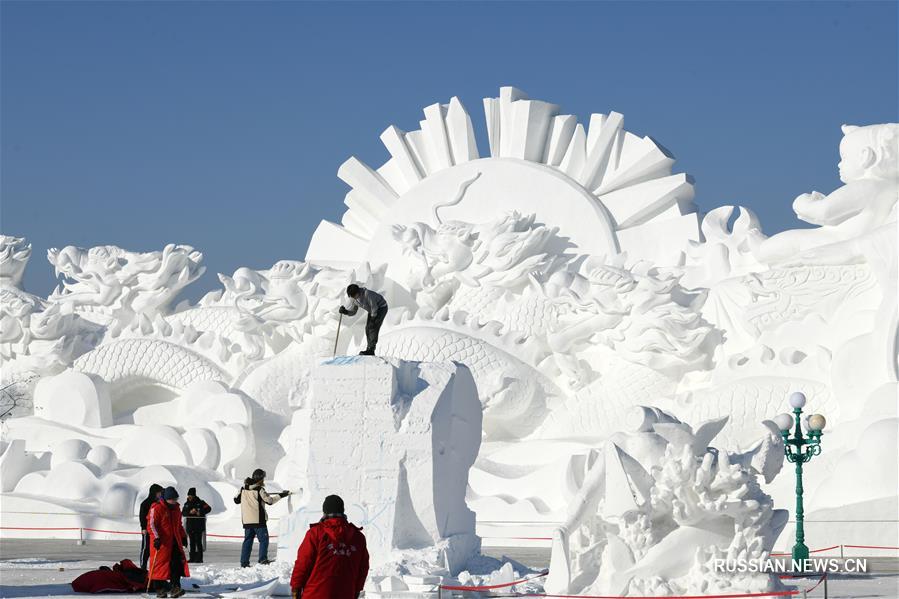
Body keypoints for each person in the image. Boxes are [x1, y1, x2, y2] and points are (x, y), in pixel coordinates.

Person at [290, 495, 369, 599]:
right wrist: (357, 589)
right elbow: (363, 568)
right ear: (342, 511)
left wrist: (296, 587)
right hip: (346, 594)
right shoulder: (358, 537)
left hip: (315, 594)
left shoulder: (316, 533)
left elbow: (303, 562)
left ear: (324, 512)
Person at [233, 468, 289, 567]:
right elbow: (270, 501)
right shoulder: (260, 489)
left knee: (248, 541)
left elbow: (236, 500)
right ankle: (262, 559)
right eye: (263, 478)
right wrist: (281, 495)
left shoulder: (243, 488)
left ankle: (244, 563)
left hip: (247, 521)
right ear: (260, 479)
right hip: (258, 521)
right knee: (264, 540)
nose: (264, 480)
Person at [147, 487, 189, 598]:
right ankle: (159, 589)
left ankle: (175, 587)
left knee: (176, 564)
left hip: (174, 541)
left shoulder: (176, 509)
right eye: (172, 499)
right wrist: (156, 538)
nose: (174, 501)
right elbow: (151, 525)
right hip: (161, 542)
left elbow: (178, 525)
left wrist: (183, 536)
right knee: (159, 565)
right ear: (166, 499)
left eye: (176, 498)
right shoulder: (156, 508)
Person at [339, 284, 388, 356]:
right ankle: (369, 348)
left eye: (354, 295)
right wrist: (346, 312)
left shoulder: (367, 294)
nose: (354, 297)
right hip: (372, 310)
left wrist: (373, 319)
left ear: (358, 291)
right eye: (352, 296)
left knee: (373, 328)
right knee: (367, 328)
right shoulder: (354, 299)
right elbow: (354, 312)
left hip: (381, 308)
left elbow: (374, 307)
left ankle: (371, 349)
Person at [182, 487, 212, 563]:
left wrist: (200, 512)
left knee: (198, 542)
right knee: (191, 543)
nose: (189, 497)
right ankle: (192, 558)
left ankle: (199, 558)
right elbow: (183, 512)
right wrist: (190, 512)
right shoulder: (186, 504)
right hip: (190, 526)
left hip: (198, 526)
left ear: (194, 496)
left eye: (191, 496)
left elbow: (208, 508)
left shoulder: (201, 502)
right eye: (188, 496)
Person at [138, 484, 163, 570]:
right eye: (159, 493)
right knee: (146, 548)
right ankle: (143, 566)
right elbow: (142, 516)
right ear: (154, 493)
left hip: (156, 530)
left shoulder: (159, 503)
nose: (160, 494)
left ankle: (155, 568)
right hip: (147, 530)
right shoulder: (145, 503)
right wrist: (143, 527)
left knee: (156, 548)